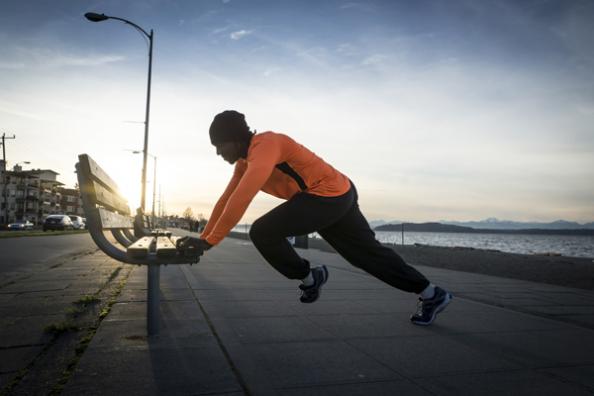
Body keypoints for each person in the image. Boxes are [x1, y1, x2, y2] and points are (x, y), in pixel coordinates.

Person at [177, 110, 452, 325]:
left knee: (262, 231)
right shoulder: (244, 163)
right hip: (337, 193)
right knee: (366, 255)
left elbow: (243, 196)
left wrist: (211, 241)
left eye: (219, 145)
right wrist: (203, 239)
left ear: (235, 139)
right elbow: (225, 200)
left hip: (327, 194)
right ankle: (431, 294)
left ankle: (310, 277)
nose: (217, 152)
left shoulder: (267, 144)